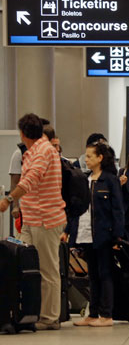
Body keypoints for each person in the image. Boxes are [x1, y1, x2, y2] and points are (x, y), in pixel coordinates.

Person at [0, 114, 67, 330]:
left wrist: (9, 199)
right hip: (30, 219)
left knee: (48, 269)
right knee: (21, 261)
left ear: (22, 133)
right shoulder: (33, 151)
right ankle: (29, 312)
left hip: (46, 219)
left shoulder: (44, 151)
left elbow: (30, 179)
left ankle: (50, 318)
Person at [62, 141, 125, 327]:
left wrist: (117, 237)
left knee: (105, 273)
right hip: (86, 234)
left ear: (100, 158)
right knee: (93, 275)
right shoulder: (85, 179)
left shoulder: (110, 180)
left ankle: (106, 315)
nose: (86, 159)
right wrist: (67, 231)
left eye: (90, 156)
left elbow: (118, 210)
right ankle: (93, 313)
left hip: (104, 235)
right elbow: (77, 208)